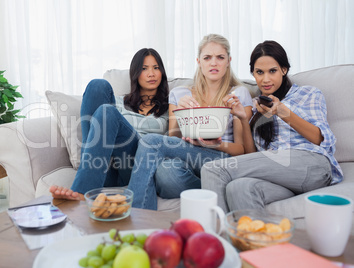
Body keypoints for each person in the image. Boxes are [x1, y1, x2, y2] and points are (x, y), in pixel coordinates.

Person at [201, 40, 343, 212]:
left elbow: (321, 139)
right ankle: (253, 238)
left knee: (213, 169)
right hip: (281, 177)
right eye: (259, 72)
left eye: (273, 71)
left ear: (284, 70)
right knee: (238, 187)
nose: (266, 79)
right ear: (253, 73)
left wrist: (282, 112)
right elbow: (253, 157)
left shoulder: (307, 94)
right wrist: (243, 119)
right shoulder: (255, 108)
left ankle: (215, 237)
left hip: (312, 165)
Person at [128, 34, 253, 210]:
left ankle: (138, 216)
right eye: (207, 57)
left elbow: (242, 151)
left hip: (220, 159)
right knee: (166, 170)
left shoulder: (238, 94)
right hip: (187, 159)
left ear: (228, 61)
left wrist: (215, 144)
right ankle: (211, 188)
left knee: (150, 141)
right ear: (199, 61)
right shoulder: (180, 94)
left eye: (220, 57)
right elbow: (173, 139)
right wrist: (181, 114)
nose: (214, 63)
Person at [49, 48, 169, 200]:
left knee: (107, 111)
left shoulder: (169, 106)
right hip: (105, 167)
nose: (151, 73)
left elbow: (171, 143)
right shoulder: (117, 103)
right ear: (135, 74)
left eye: (156, 68)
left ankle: (80, 192)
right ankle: (88, 169)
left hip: (136, 164)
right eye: (144, 69)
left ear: (162, 72)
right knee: (97, 86)